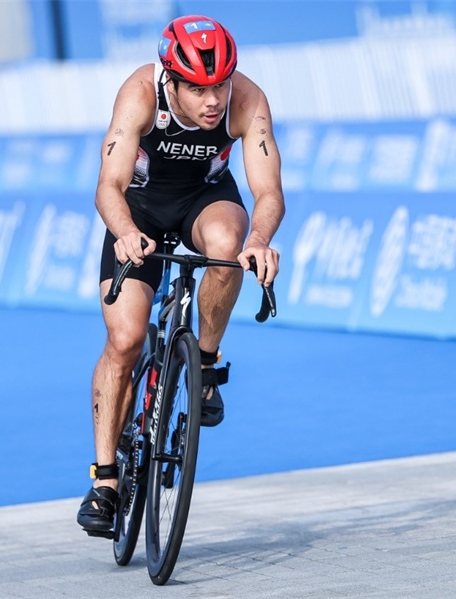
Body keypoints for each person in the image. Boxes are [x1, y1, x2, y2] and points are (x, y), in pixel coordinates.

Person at [76, 15, 285, 536]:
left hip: (204, 200)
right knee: (124, 338)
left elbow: (268, 193)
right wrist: (123, 231)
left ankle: (205, 364)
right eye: (197, 88)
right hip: (140, 211)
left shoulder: (247, 100)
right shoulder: (141, 92)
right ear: (171, 79)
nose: (213, 100)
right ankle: (104, 481)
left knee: (228, 246)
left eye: (219, 85)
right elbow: (109, 184)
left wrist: (259, 240)